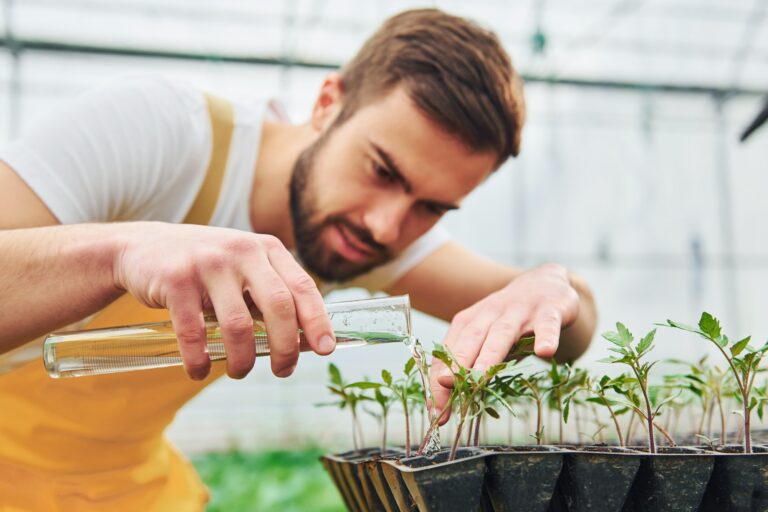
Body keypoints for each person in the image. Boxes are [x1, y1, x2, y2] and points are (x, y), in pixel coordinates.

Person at [0, 8, 596, 510]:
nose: (388, 225)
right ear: (328, 102)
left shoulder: (365, 239)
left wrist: (549, 286)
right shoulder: (162, 133)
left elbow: (570, 330)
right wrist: (121, 252)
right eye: (381, 170)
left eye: (433, 207)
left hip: (120, 484)